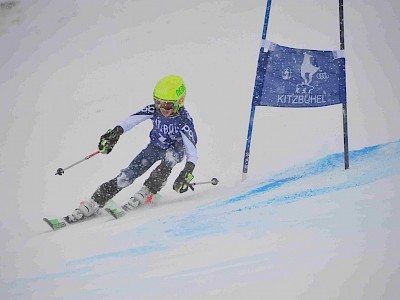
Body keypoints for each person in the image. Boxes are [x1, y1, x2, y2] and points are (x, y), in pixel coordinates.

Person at [66, 74, 198, 222]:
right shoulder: (154, 110)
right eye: (158, 102)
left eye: (167, 105)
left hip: (174, 151)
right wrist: (116, 133)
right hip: (154, 147)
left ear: (179, 102)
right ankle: (96, 201)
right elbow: (130, 121)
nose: (162, 108)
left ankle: (149, 190)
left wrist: (186, 172)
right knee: (127, 175)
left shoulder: (184, 121)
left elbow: (192, 153)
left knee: (169, 159)